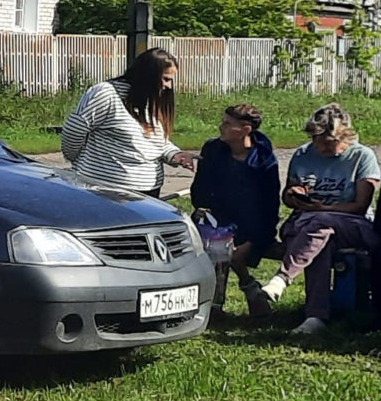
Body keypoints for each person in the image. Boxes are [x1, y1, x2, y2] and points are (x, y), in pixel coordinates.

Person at [257, 103, 380, 336]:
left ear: (346, 136)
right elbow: (288, 195)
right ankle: (315, 317)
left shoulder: (362, 156)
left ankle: (283, 278)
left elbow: (359, 206)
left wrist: (322, 208)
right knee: (320, 240)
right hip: (307, 224)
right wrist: (295, 196)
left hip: (352, 223)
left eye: (329, 142)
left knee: (320, 222)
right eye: (317, 140)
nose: (321, 147)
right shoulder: (303, 154)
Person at [60, 46, 196, 195]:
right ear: (148, 75)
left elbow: (154, 142)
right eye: (166, 79)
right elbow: (73, 132)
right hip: (105, 190)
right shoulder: (106, 94)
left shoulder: (152, 100)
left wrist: (174, 154)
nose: (169, 86)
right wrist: (78, 161)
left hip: (148, 192)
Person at [189, 101, 280, 321]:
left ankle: (218, 305)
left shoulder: (264, 161)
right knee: (218, 242)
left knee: (226, 248)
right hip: (216, 221)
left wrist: (250, 242)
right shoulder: (212, 150)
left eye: (228, 124)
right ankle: (244, 290)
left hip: (253, 228)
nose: (221, 127)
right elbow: (199, 189)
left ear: (245, 130)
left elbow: (269, 208)